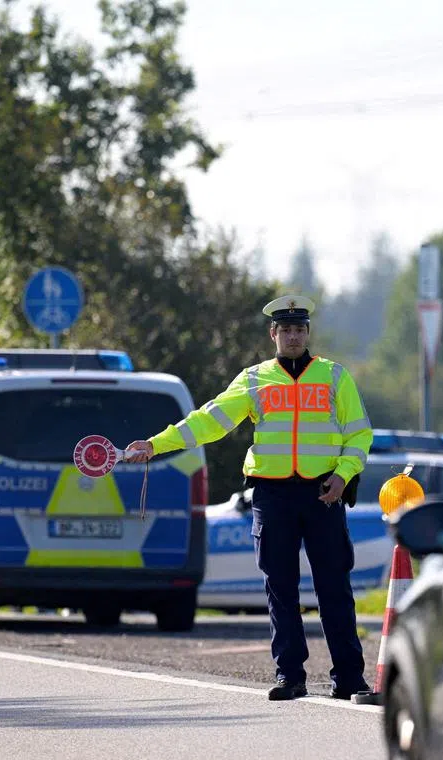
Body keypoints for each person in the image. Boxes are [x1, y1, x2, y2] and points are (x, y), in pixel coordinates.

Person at [123, 294, 374, 701]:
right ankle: (289, 676)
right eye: (285, 330)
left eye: (299, 329)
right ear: (273, 333)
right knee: (280, 588)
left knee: (334, 589)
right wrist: (156, 444)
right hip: (272, 494)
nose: (293, 337)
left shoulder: (334, 376)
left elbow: (359, 434)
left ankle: (348, 678)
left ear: (308, 333)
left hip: (323, 492)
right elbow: (210, 421)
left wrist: (344, 476)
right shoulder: (254, 379)